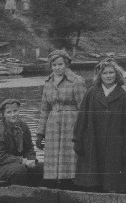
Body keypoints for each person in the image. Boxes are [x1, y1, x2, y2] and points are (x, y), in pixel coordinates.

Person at [72, 59, 126, 192]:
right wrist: (77, 141)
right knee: (92, 182)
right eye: (105, 73)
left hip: (114, 147)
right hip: (92, 144)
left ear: (117, 74)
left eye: (111, 72)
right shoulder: (91, 93)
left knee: (113, 184)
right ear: (100, 75)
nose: (108, 75)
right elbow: (81, 119)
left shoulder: (125, 97)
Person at [35, 50, 87, 188]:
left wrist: (83, 132)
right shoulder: (48, 82)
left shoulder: (77, 81)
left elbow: (83, 109)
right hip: (52, 124)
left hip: (71, 123)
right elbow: (45, 109)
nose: (57, 68)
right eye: (54, 65)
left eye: (60, 64)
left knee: (70, 157)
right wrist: (40, 133)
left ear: (67, 64)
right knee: (52, 159)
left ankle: (70, 184)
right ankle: (52, 186)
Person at [0, 99, 43, 186]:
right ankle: (19, 194)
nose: (13, 115)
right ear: (3, 114)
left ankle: (36, 191)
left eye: (15, 111)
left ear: (19, 110)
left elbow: (29, 147)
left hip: (20, 162)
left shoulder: (23, 126)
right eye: (9, 112)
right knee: (19, 170)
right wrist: (22, 161)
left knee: (42, 168)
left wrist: (31, 159)